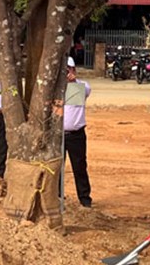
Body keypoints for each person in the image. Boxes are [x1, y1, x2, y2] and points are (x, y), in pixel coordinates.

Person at [63, 56, 93, 208]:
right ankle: (57, 197)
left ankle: (85, 199)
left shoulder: (81, 86)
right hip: (59, 135)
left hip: (76, 134)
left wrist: (73, 82)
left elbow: (86, 91)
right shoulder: (56, 87)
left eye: (69, 69)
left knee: (79, 166)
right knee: (56, 168)